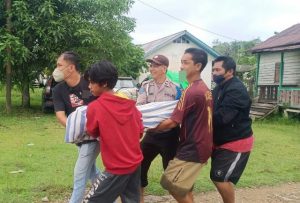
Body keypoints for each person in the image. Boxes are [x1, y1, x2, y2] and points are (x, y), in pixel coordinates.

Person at [150, 48, 213, 203]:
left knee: (171, 184)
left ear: (197, 66)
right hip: (200, 143)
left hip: (193, 147)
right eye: (181, 62)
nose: (181, 67)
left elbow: (172, 122)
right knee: (183, 186)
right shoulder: (203, 88)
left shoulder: (191, 91)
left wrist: (149, 127)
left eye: (185, 63)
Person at [83, 60, 143, 203]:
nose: (89, 86)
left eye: (92, 82)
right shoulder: (131, 106)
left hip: (116, 168)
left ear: (103, 83)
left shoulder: (95, 107)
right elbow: (140, 132)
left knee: (91, 201)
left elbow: (92, 131)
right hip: (135, 164)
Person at [52, 51, 100, 203]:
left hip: (94, 136)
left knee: (80, 174)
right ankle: (108, 196)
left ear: (71, 68)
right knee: (92, 172)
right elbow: (60, 115)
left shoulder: (89, 84)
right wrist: (75, 129)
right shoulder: (58, 90)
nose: (56, 69)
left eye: (60, 65)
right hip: (78, 137)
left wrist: (89, 128)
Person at [136, 55, 181, 203]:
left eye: (155, 65)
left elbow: (177, 113)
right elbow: (141, 110)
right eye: (151, 65)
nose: (152, 68)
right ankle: (140, 199)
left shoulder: (176, 88)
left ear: (164, 68)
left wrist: (163, 122)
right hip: (151, 135)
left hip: (170, 136)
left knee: (173, 174)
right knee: (138, 166)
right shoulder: (145, 86)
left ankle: (185, 198)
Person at [210, 56, 254, 203]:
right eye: (213, 70)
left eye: (217, 70)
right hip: (221, 139)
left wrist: (201, 118)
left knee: (219, 177)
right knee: (218, 176)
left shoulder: (236, 90)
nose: (214, 73)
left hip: (236, 141)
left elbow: (223, 118)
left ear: (230, 71)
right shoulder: (219, 87)